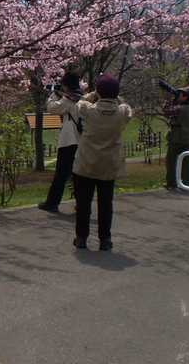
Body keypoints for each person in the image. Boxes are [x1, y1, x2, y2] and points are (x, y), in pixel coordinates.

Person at [71, 74, 133, 251]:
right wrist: (115, 96)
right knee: (106, 203)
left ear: (98, 91)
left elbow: (81, 101)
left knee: (83, 203)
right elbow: (126, 106)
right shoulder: (122, 113)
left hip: (86, 163)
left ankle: (81, 237)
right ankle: (105, 239)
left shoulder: (88, 109)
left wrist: (93, 94)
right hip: (109, 164)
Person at [38, 72, 83, 213]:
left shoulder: (68, 100)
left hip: (69, 141)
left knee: (61, 174)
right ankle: (82, 204)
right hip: (81, 141)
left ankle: (52, 203)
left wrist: (52, 95)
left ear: (66, 85)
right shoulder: (82, 98)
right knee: (78, 174)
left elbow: (52, 108)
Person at [164, 87, 189, 190]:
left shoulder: (181, 108)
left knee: (171, 161)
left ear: (185, 97)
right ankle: (186, 184)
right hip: (187, 138)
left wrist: (170, 100)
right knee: (186, 162)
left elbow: (166, 111)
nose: (179, 95)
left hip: (177, 139)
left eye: (181, 94)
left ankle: (171, 184)